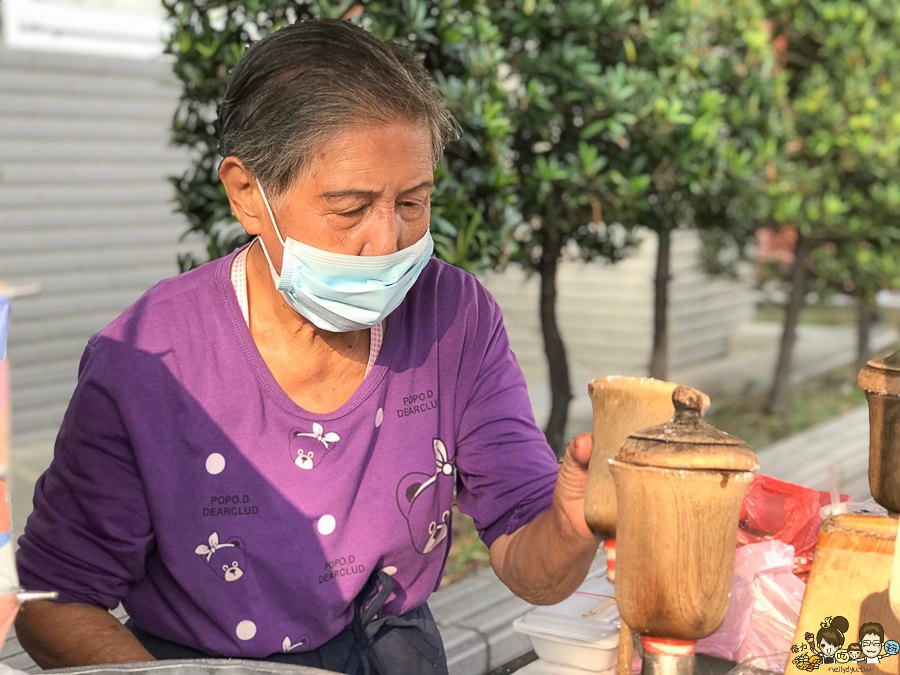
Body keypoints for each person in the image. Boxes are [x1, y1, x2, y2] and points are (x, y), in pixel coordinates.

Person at [13, 18, 599, 673]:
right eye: (350, 208)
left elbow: (534, 561)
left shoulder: (453, 318)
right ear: (247, 194)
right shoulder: (149, 360)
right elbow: (53, 600)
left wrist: (571, 525)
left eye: (414, 200)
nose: (388, 240)